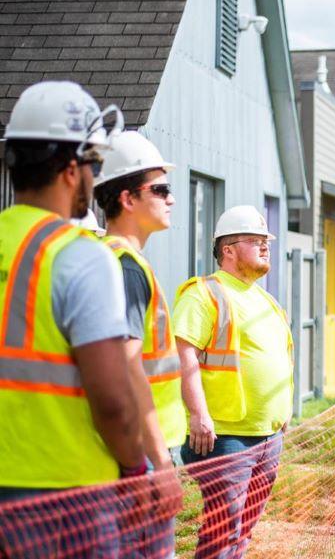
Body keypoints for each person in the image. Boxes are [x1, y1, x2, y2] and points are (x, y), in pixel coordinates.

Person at [0, 81, 148, 557]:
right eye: (94, 164)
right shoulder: (81, 257)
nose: (94, 177)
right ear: (70, 169)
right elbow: (111, 399)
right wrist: (135, 469)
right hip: (66, 497)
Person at [173, 205, 293, 559]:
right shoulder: (204, 293)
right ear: (228, 250)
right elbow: (185, 358)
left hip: (267, 434)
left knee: (244, 528)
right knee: (223, 527)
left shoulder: (267, 301)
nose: (265, 246)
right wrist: (198, 415)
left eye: (265, 241)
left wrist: (281, 412)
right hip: (224, 435)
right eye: (254, 241)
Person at [94, 130, 185, 557]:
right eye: (160, 189)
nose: (171, 198)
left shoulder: (107, 256)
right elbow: (128, 370)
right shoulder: (127, 267)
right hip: (144, 453)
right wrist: (161, 465)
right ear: (127, 199)